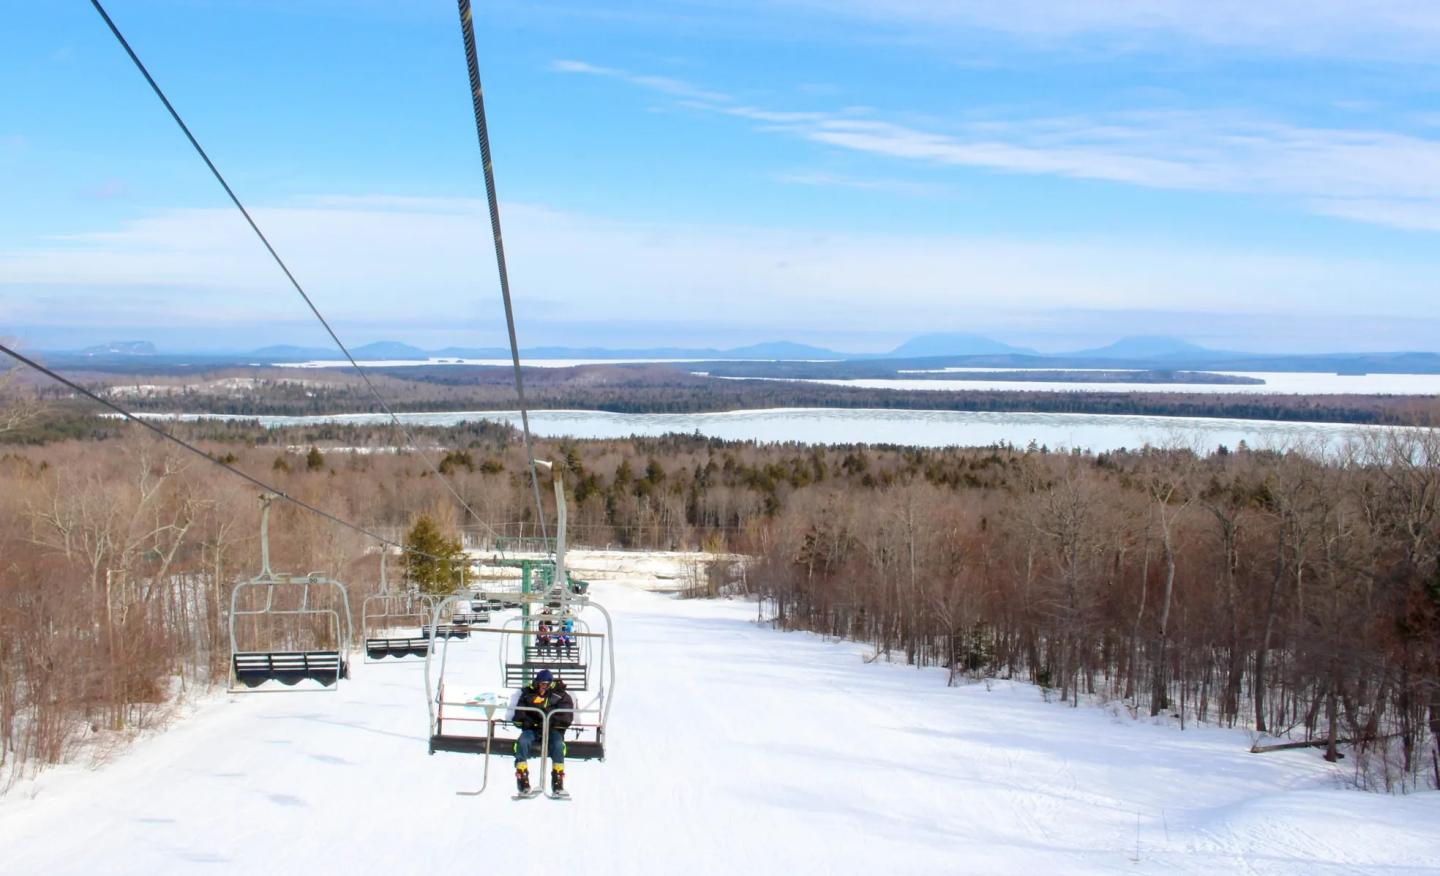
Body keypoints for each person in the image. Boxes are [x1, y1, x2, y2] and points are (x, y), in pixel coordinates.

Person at [510, 668, 574, 794]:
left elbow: (565, 717)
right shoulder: (528, 694)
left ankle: (557, 782)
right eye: (539, 684)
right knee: (523, 742)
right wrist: (527, 720)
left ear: (550, 684)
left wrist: (548, 719)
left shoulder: (560, 695)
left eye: (545, 685)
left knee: (558, 745)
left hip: (552, 729)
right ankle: (522, 780)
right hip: (533, 728)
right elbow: (519, 714)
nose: (541, 688)